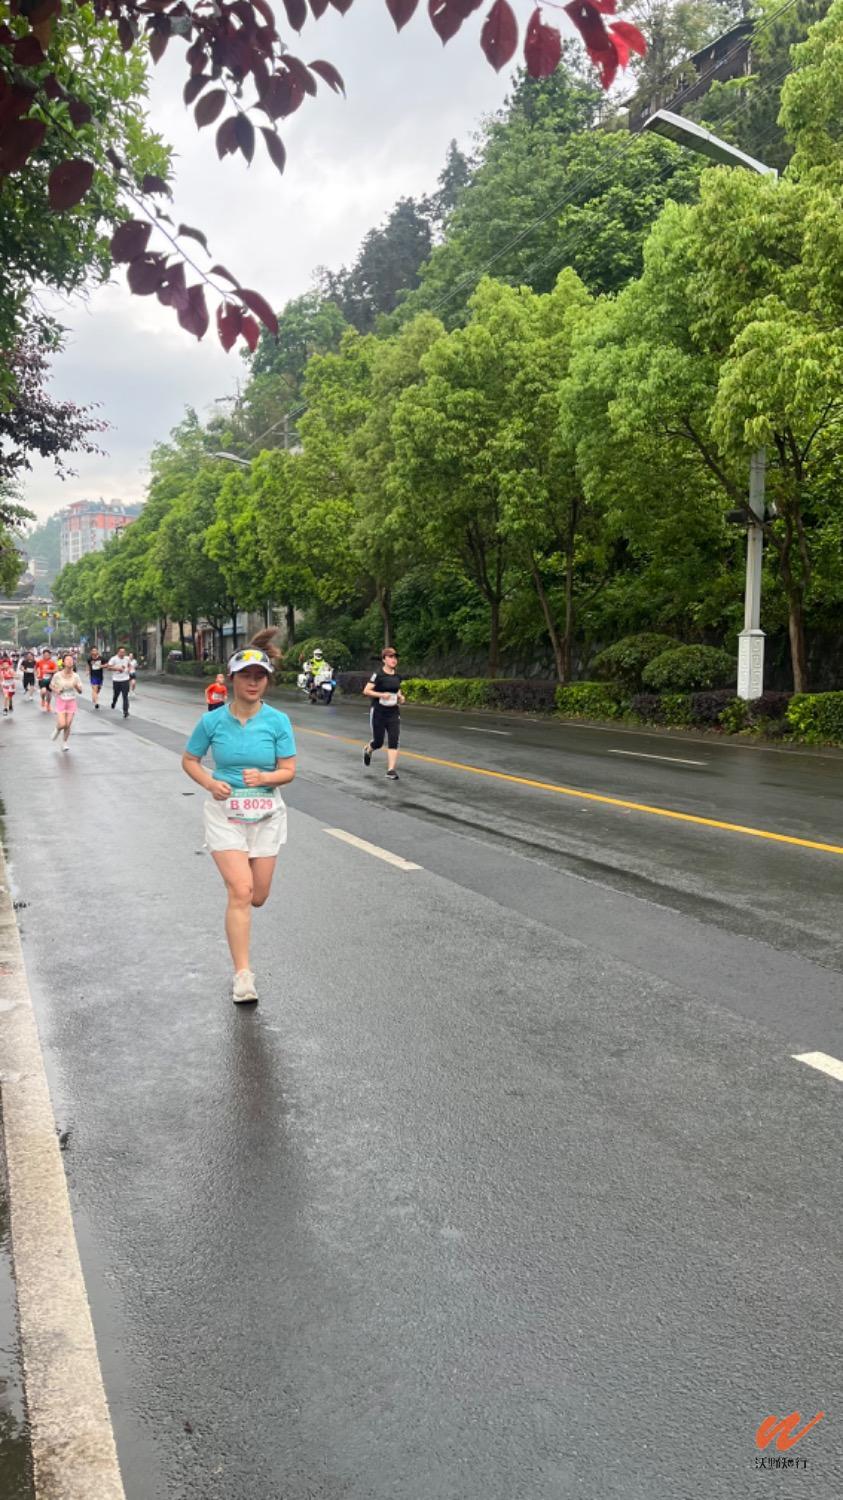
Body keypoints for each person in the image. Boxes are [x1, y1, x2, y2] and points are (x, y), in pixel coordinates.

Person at [181, 631, 296, 1005]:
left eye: (260, 676)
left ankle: (244, 885)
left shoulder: (278, 721)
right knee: (241, 891)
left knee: (258, 896)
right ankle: (243, 976)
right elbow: (190, 760)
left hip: (266, 815)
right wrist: (210, 782)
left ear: (267, 681)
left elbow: (288, 770)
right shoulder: (212, 722)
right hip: (225, 814)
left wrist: (265, 778)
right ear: (231, 678)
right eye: (246, 675)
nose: (253, 682)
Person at [362, 646, 405, 780]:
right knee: (378, 742)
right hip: (378, 712)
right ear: (384, 659)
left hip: (393, 712)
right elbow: (366, 691)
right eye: (390, 657)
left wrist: (401, 698)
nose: (394, 659)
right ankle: (368, 749)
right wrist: (381, 695)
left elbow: (397, 691)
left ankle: (391, 770)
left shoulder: (397, 676)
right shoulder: (378, 674)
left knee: (394, 739)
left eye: (395, 657)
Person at [50, 655, 83, 750]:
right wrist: (56, 690)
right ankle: (57, 729)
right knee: (62, 724)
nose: (69, 661)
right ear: (63, 662)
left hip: (71, 702)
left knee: (68, 724)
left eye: (71, 660)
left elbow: (80, 691)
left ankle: (64, 743)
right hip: (61, 701)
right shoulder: (57, 675)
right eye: (67, 660)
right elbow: (51, 685)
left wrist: (76, 686)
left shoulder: (76, 676)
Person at [106, 647, 132, 716]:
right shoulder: (113, 659)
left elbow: (129, 665)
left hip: (125, 679)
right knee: (116, 695)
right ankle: (114, 702)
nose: (122, 653)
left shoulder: (127, 658)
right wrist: (117, 669)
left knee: (125, 696)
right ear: (118, 652)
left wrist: (129, 670)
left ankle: (125, 711)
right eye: (121, 652)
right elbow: (108, 668)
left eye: (124, 652)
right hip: (116, 680)